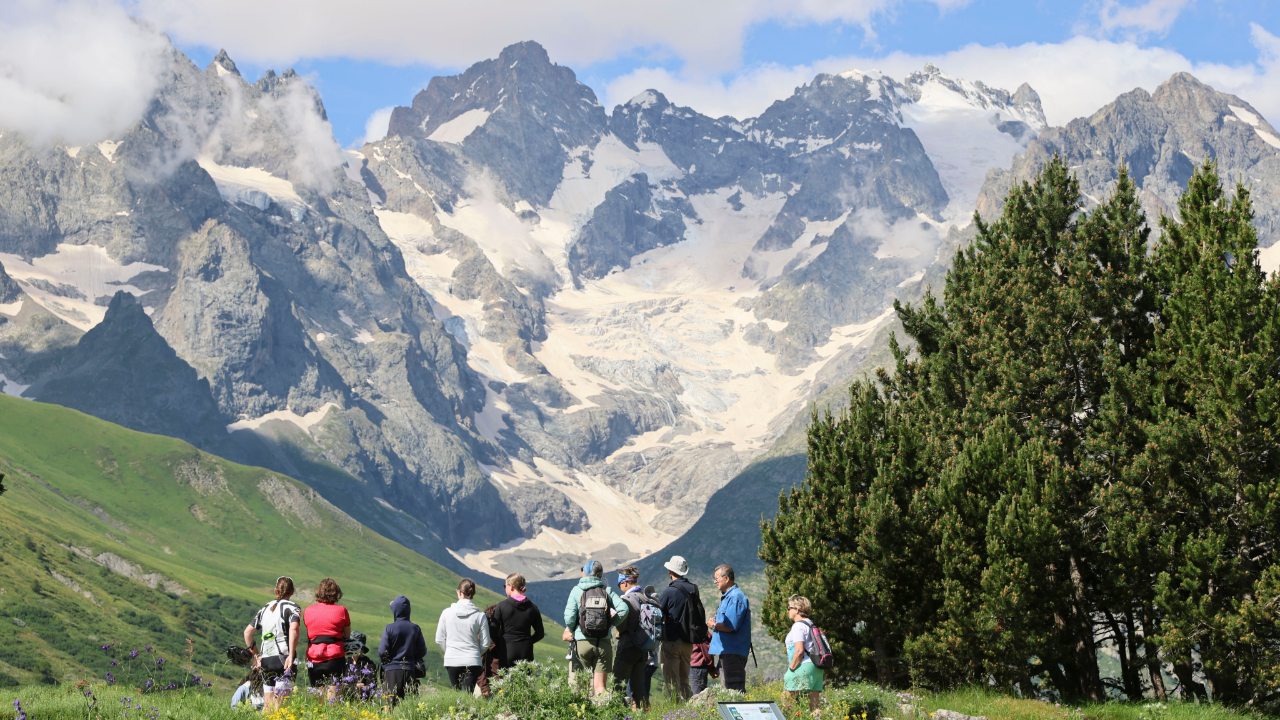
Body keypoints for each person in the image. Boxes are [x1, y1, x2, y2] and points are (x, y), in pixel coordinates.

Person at [563, 560, 629, 696]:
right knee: (600, 688)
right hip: (603, 643)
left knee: (582, 687)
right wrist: (611, 623)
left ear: (586, 573)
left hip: (582, 643)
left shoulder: (577, 590)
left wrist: (574, 629)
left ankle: (585, 715)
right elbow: (624, 609)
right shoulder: (606, 590)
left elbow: (569, 617)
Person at [244, 576, 300, 711]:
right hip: (283, 657)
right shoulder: (292, 607)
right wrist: (291, 656)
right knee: (280, 706)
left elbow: (248, 633)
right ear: (292, 592)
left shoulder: (265, 608)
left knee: (267, 704)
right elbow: (294, 629)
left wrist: (256, 656)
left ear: (276, 591)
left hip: (266, 659)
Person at [658, 555, 705, 701]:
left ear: (670, 572)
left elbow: (659, 614)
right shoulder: (693, 589)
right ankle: (688, 712)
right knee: (685, 681)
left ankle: (676, 713)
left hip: (672, 641)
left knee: (672, 682)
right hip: (688, 642)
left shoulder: (669, 592)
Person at [435, 578, 491, 693]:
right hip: (472, 660)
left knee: (458, 693)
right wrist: (475, 652)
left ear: (459, 592)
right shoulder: (480, 616)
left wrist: (450, 650)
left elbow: (439, 639)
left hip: (452, 659)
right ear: (473, 593)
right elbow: (486, 643)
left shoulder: (446, 613)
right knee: (467, 694)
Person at [613, 566, 657, 708]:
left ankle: (619, 715)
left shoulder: (625, 600)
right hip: (643, 648)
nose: (620, 587)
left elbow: (622, 626)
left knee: (618, 686)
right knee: (639, 688)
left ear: (625, 583)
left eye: (619, 584)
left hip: (627, 647)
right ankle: (643, 714)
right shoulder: (646, 597)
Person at [303, 578, 352, 692]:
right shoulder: (342, 610)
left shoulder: (308, 610)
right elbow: (347, 634)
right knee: (334, 696)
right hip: (335, 656)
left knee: (317, 695)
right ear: (336, 593)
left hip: (314, 656)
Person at [709, 563, 751, 691]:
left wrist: (714, 625)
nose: (715, 582)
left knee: (733, 692)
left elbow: (730, 626)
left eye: (717, 578)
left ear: (726, 578)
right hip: (728, 651)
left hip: (733, 652)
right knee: (728, 691)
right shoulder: (729, 597)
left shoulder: (735, 597)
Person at [379, 595, 427, 703]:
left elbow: (382, 651)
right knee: (409, 704)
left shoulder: (389, 628)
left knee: (391, 704)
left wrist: (386, 663)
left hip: (392, 670)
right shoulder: (415, 628)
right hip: (410, 669)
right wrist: (413, 659)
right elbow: (423, 650)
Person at [493, 572, 546, 668]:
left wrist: (501, 643)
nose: (505, 588)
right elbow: (540, 633)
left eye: (505, 586)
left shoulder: (502, 606)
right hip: (526, 651)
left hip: (507, 649)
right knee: (524, 681)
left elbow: (492, 630)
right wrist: (528, 641)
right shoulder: (533, 607)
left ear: (511, 586)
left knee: (507, 681)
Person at [784, 596, 823, 712]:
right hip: (816, 667)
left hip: (803, 665)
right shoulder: (810, 624)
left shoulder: (798, 626)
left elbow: (799, 650)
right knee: (815, 707)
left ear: (797, 610)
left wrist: (791, 669)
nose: (787, 611)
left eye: (789, 607)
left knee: (786, 700)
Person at [689, 613, 719, 695]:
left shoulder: (697, 630)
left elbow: (706, 651)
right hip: (696, 668)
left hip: (697, 668)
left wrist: (711, 668)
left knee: (697, 694)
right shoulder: (699, 629)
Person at [477, 604, 501, 698]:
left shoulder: (485, 637)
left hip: (495, 684)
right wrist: (484, 687)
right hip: (489, 686)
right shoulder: (486, 639)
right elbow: (480, 663)